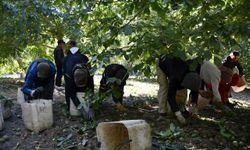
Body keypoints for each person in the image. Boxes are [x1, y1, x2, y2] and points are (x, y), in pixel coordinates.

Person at [156, 55, 201, 124]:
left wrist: (194, 104)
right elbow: (170, 96)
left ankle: (182, 109)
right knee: (164, 87)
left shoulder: (194, 69)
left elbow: (195, 89)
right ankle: (162, 112)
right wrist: (178, 114)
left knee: (182, 91)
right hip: (163, 61)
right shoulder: (175, 78)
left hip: (177, 66)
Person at [63, 40, 94, 119]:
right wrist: (82, 111)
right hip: (70, 76)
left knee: (83, 92)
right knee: (69, 91)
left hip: (84, 78)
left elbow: (91, 89)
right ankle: (69, 106)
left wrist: (91, 107)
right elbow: (71, 92)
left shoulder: (85, 60)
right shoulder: (67, 62)